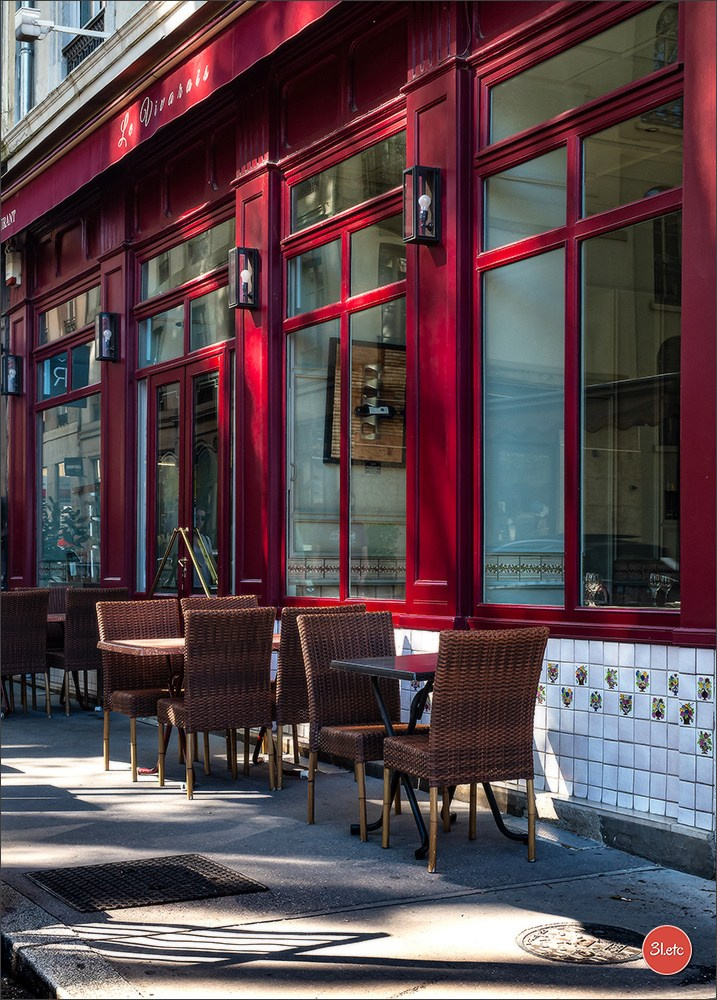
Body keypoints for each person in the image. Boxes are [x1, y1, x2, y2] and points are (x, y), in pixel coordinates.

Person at [192, 508, 216, 591]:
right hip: (191, 584)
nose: (199, 521)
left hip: (205, 584)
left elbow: (212, 562)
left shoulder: (206, 540)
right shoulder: (186, 539)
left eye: (202, 519)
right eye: (196, 518)